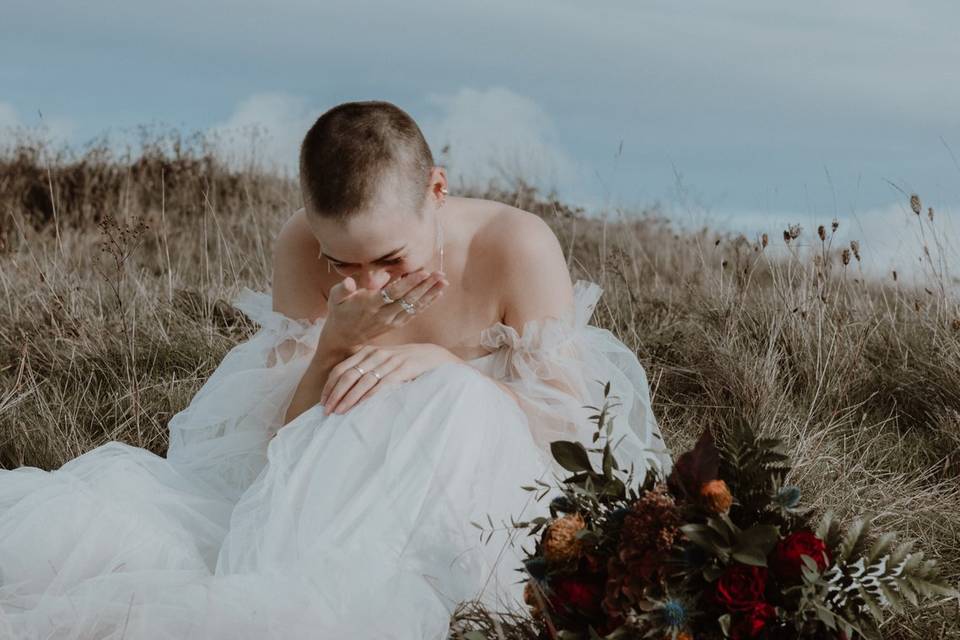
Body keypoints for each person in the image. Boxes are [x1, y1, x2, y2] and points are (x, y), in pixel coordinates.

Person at [0, 100, 673, 639]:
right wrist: (332, 349)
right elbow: (279, 448)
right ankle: (285, 589)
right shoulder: (299, 246)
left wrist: (443, 363)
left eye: (391, 259)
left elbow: (570, 438)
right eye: (340, 263)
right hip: (317, 489)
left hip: (483, 489)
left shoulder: (515, 245)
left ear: (437, 191)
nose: (369, 282)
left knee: (449, 396)